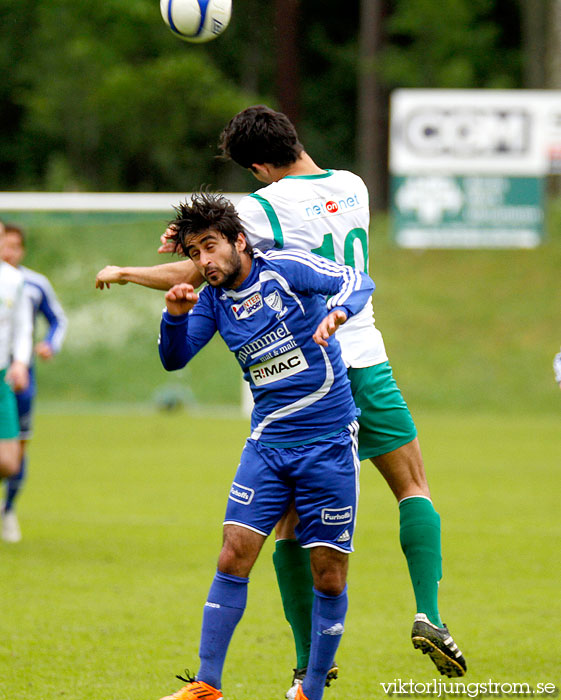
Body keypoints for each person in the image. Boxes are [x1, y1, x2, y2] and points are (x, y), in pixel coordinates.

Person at [95, 105, 467, 687]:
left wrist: (129, 271)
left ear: (260, 165)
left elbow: (208, 268)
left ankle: (306, 663)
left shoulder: (257, 208)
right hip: (367, 352)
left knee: (293, 526)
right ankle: (429, 612)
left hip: (309, 365)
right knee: (413, 486)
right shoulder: (353, 185)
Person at [156, 192, 374, 700]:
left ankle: (310, 690)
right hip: (268, 444)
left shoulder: (286, 269)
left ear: (238, 240)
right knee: (233, 553)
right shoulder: (210, 300)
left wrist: (339, 314)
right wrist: (172, 316)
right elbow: (176, 358)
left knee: (329, 573)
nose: (204, 261)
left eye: (210, 246)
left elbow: (356, 280)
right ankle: (207, 684)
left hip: (328, 441)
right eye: (193, 254)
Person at [0, 223, 67, 542]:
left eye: (13, 245)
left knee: (15, 455)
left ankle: (8, 510)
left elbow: (57, 320)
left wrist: (48, 345)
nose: (7, 251)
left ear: (21, 250)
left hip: (18, 378)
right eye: (3, 244)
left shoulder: (31, 283)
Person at [0, 221, 32, 523]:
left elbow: (22, 327)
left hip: (1, 377)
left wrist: (21, 361)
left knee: (8, 463)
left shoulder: (12, 280)